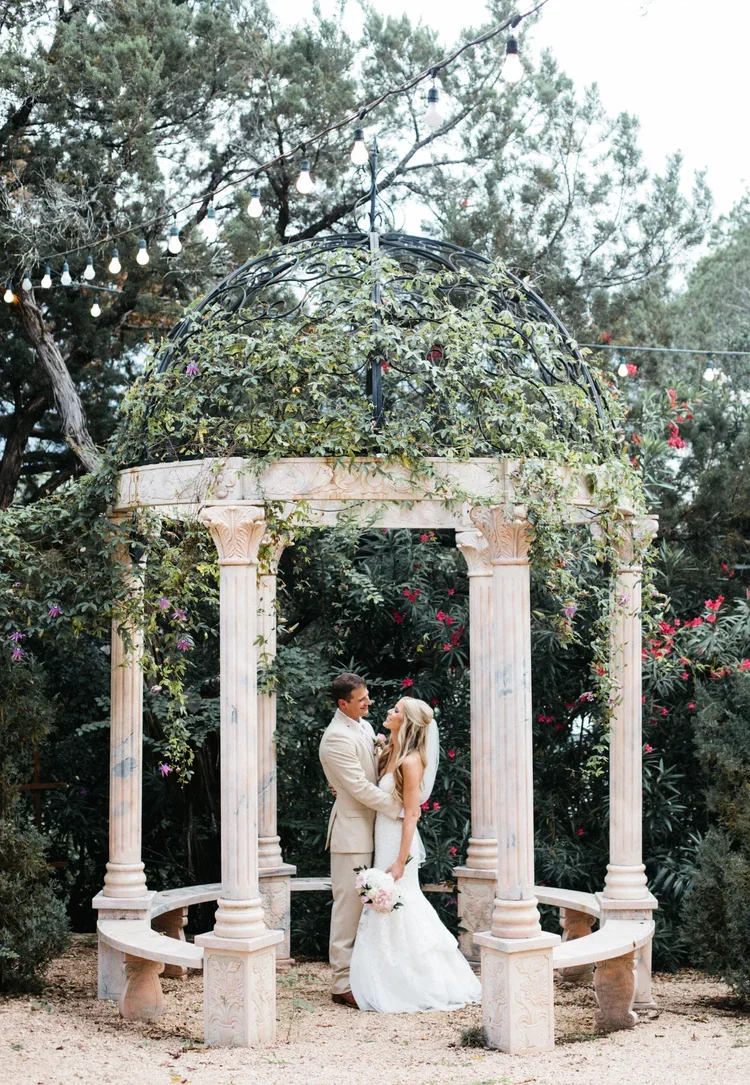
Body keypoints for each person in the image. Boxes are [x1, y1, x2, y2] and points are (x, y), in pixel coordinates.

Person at [349, 696, 482, 1013]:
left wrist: (400, 860)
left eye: (395, 710)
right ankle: (389, 976)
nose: (389, 711)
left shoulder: (410, 762)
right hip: (383, 835)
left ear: (406, 721)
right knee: (392, 906)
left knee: (402, 902)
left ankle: (417, 981)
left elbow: (411, 815)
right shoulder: (392, 752)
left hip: (397, 840)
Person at [319, 673, 401, 1007]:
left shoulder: (364, 727)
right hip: (351, 834)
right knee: (348, 909)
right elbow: (359, 787)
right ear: (343, 703)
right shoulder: (336, 737)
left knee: (370, 908)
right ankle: (341, 985)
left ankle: (363, 975)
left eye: (367, 696)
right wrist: (399, 807)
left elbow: (371, 774)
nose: (368, 702)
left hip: (373, 830)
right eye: (361, 699)